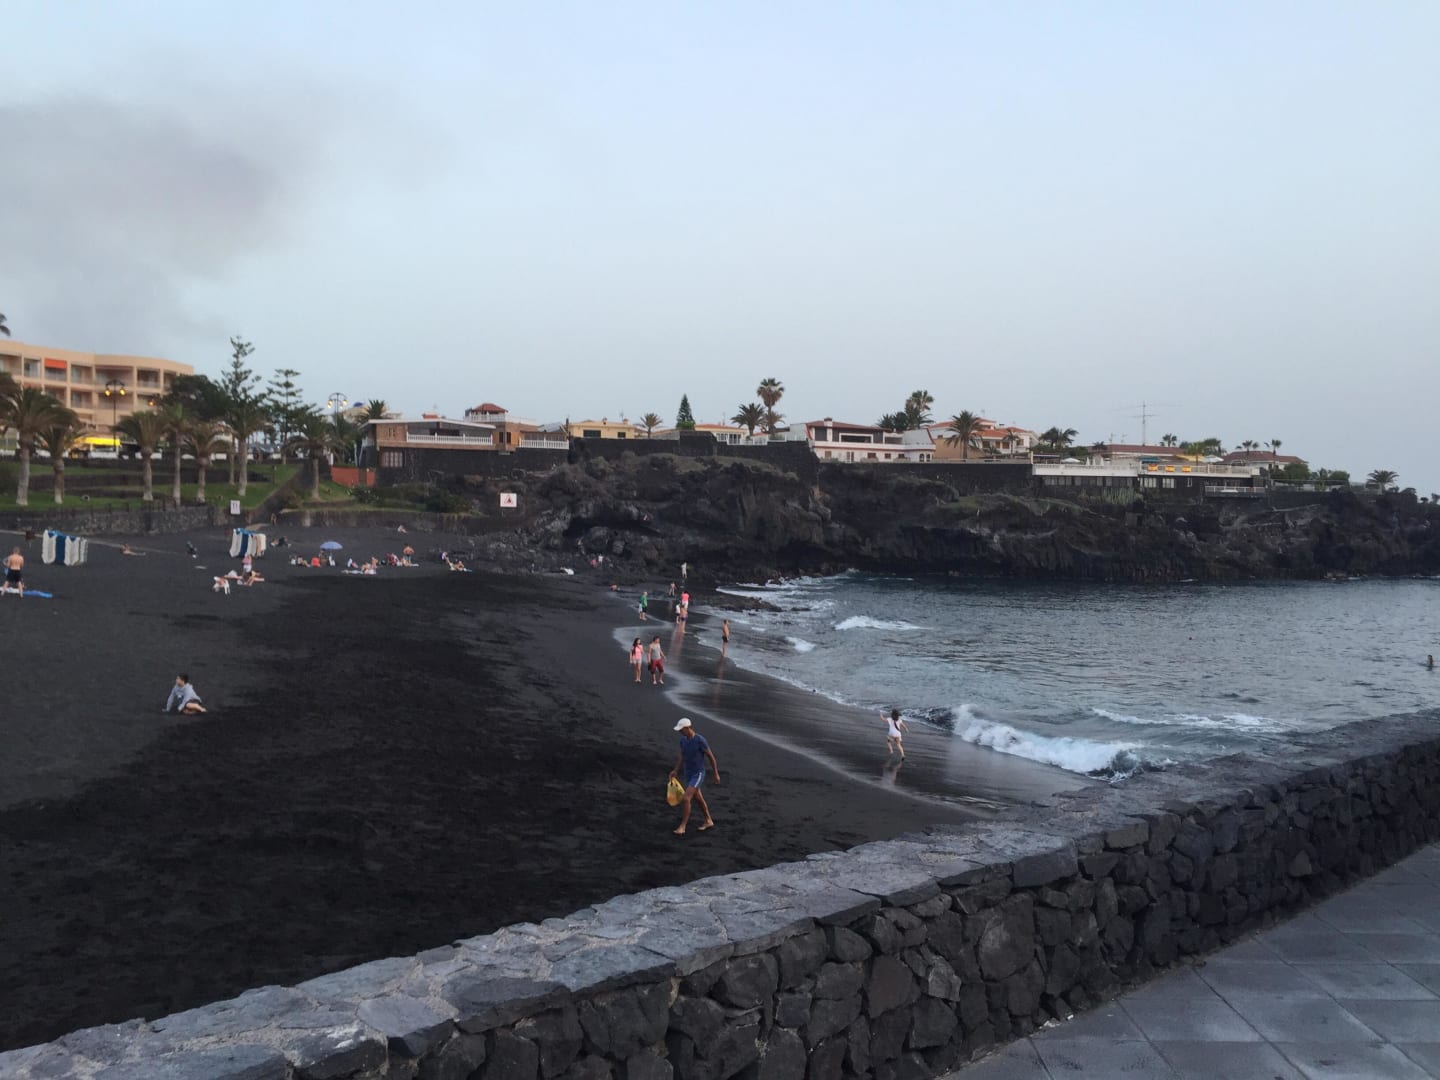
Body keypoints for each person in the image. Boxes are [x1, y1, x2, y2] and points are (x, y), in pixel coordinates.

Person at [669, 718, 719, 835]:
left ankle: (682, 826)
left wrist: (716, 773)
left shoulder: (700, 740)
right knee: (698, 798)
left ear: (688, 728)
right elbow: (682, 755)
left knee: (686, 798)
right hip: (688, 773)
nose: (680, 732)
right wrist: (676, 770)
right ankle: (708, 820)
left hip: (698, 774)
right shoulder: (683, 740)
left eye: (681, 729)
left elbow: (711, 757)